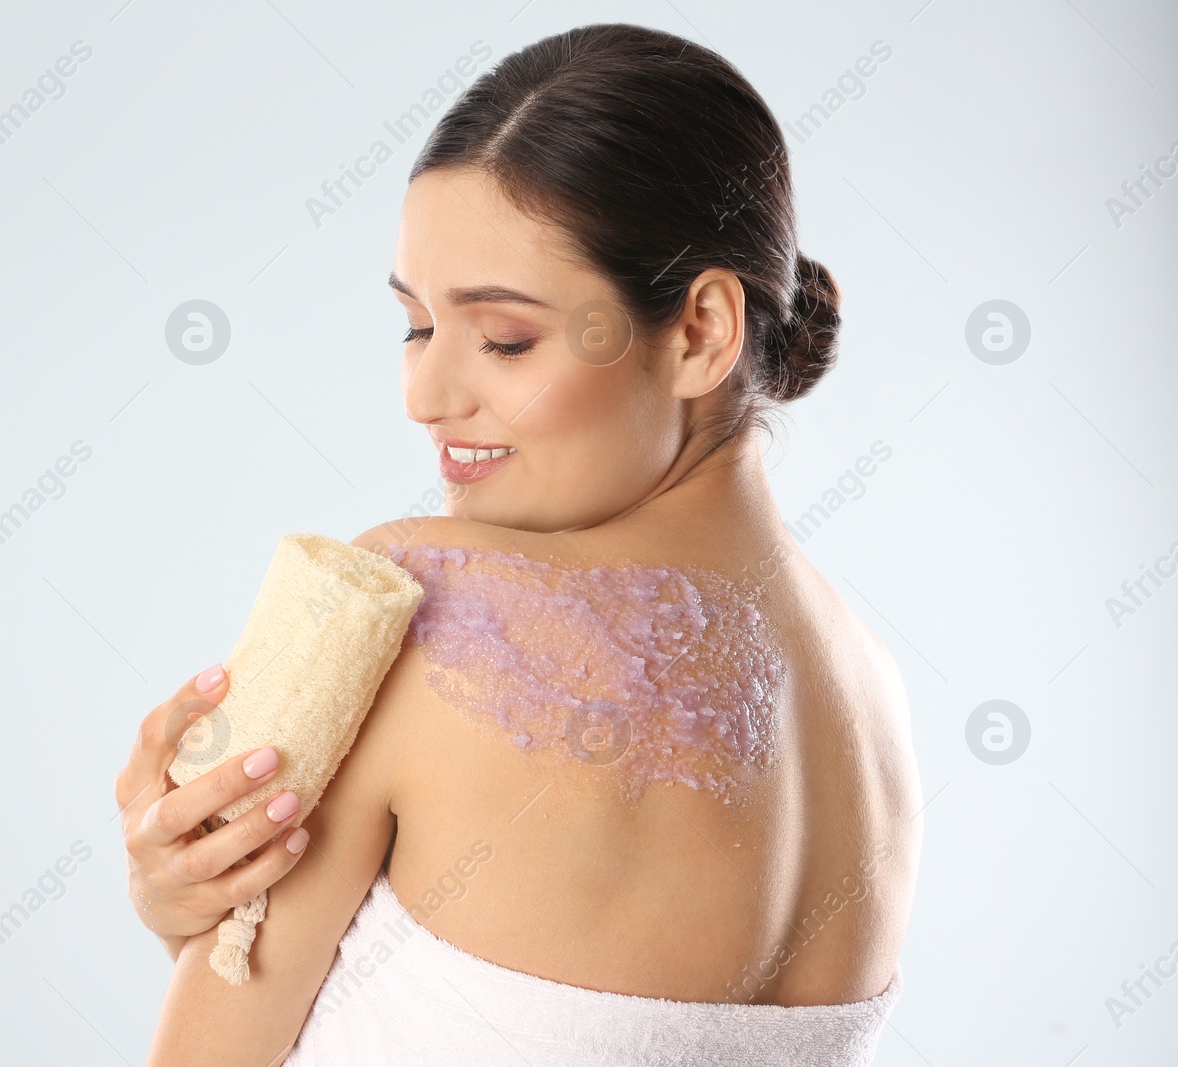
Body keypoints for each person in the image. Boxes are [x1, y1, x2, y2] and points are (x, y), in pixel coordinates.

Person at [117, 23, 921, 1066]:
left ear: (699, 332)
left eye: (504, 339)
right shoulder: (869, 697)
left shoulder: (417, 602)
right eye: (415, 326)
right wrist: (192, 910)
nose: (425, 396)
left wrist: (188, 920)